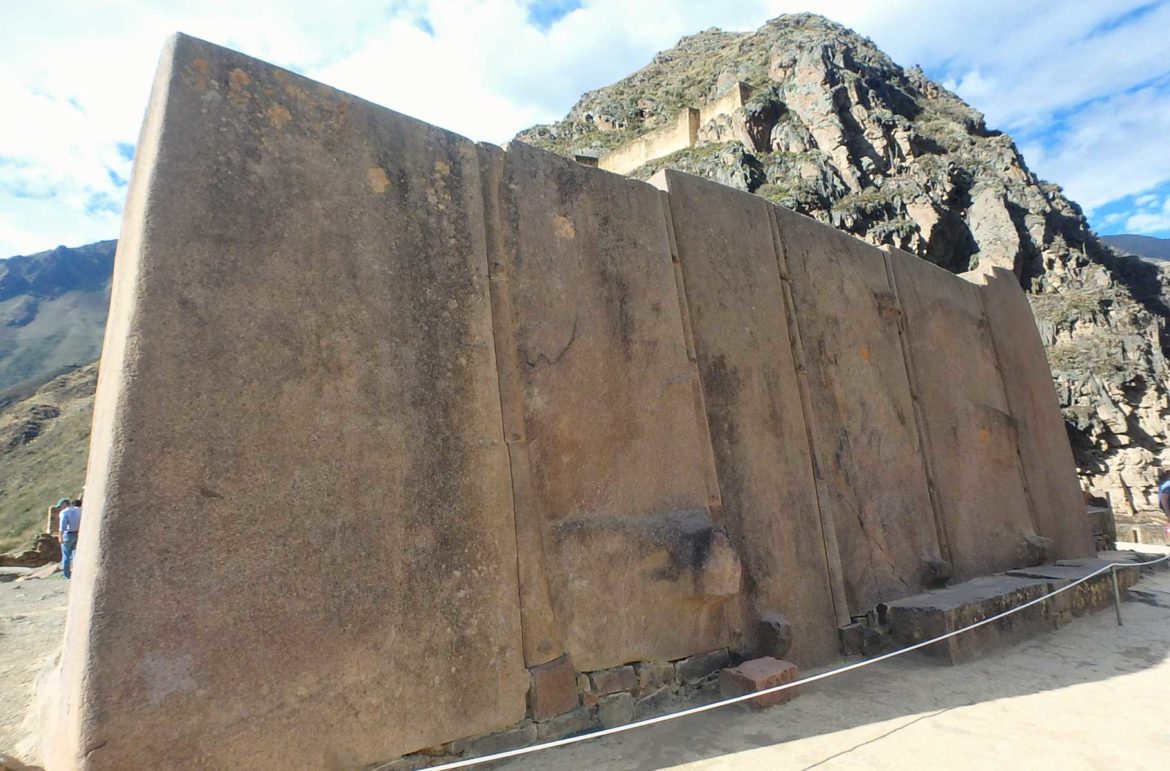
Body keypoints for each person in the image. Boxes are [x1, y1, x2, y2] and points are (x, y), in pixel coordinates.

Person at [59, 498, 82, 579]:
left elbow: (62, 526)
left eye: (60, 506)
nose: (60, 508)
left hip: (67, 535)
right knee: (75, 554)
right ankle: (76, 573)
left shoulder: (64, 512)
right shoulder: (79, 511)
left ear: (65, 504)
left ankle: (66, 575)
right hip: (77, 533)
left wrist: (60, 536)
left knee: (66, 556)